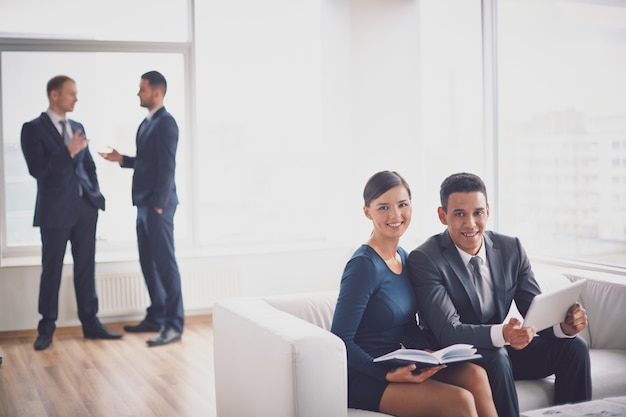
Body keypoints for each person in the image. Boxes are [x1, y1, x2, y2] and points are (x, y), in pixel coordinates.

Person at [407, 172, 592, 417]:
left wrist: (565, 327)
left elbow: (535, 311)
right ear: (443, 216)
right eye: (459, 214)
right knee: (497, 357)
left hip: (499, 351)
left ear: (488, 211)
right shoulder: (425, 258)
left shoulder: (510, 248)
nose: (471, 223)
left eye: (478, 212)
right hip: (455, 356)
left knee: (574, 347)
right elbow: (447, 330)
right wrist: (503, 334)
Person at [331, 171, 498, 417]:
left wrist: (426, 352)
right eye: (383, 207)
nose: (395, 215)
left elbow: (408, 325)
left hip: (401, 361)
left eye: (402, 205)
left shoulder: (406, 258)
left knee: (476, 375)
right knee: (459, 400)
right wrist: (386, 373)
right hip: (365, 374)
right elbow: (341, 339)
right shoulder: (363, 266)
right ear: (368, 212)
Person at [21, 75, 123, 351]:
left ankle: (91, 323)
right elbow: (37, 169)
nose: (76, 98)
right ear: (55, 95)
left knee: (85, 269)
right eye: (71, 94)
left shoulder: (77, 126)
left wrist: (94, 194)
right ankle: (46, 328)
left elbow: (87, 165)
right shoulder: (32, 129)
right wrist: (67, 152)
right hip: (54, 213)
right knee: (51, 270)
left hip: (85, 211)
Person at [99, 71, 183, 347]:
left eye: (142, 89)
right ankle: (156, 315)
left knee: (165, 265)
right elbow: (148, 161)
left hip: (158, 206)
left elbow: (168, 166)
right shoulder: (146, 123)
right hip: (144, 204)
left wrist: (159, 204)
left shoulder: (166, 123)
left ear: (156, 93)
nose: (138, 93)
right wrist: (122, 159)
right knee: (148, 262)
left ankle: (173, 324)